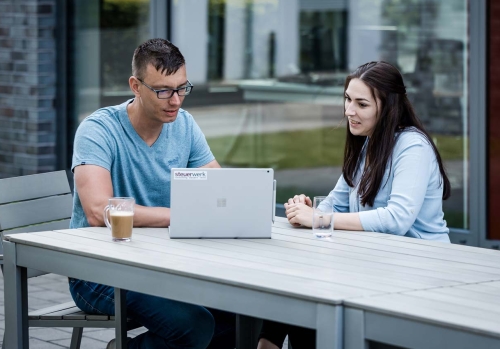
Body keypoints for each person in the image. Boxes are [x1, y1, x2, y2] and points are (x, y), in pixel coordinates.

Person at [257, 61, 451, 349]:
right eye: (348, 99)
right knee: (299, 286)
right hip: (377, 266)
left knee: (310, 294)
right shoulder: (368, 148)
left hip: (422, 272)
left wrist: (320, 220)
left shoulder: (413, 147)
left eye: (361, 104)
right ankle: (266, 344)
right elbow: (333, 205)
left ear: (388, 107)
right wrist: (306, 210)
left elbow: (397, 219)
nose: (349, 111)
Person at [68, 38, 235, 349]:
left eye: (182, 88)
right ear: (135, 85)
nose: (175, 100)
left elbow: (217, 188)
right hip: (98, 272)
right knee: (194, 325)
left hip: (162, 264)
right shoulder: (98, 130)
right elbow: (97, 211)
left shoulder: (184, 125)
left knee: (240, 313)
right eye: (163, 90)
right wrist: (182, 217)